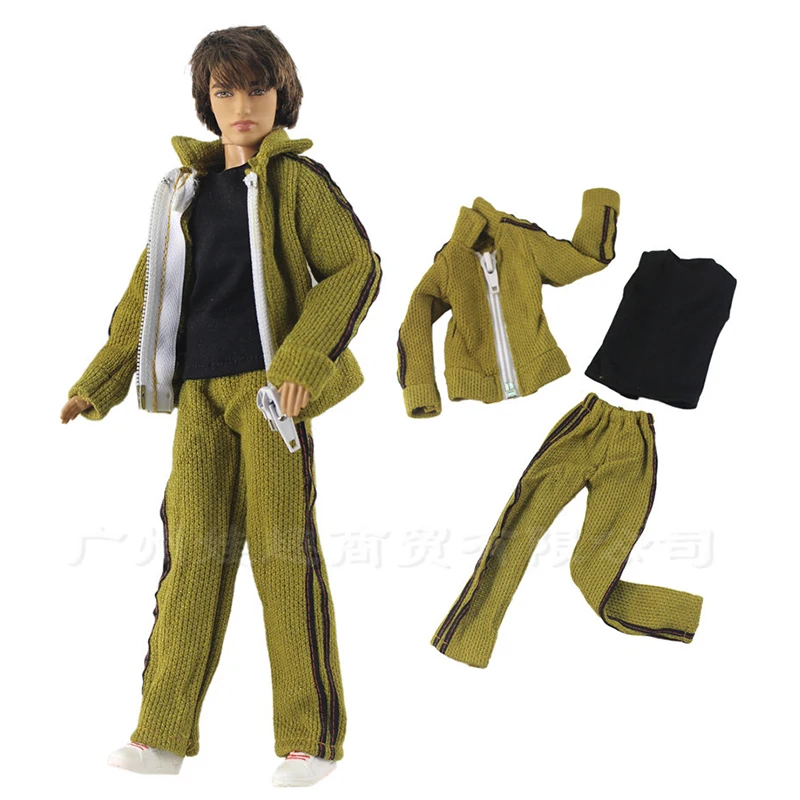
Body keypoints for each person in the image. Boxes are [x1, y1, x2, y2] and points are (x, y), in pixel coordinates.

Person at [60, 24, 381, 787]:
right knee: (191, 561)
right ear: (207, 101)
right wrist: (98, 383)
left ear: (282, 95)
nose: (242, 105)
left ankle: (309, 739)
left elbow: (355, 269)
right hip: (200, 398)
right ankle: (161, 734)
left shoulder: (297, 182)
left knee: (282, 557)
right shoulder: (183, 193)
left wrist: (302, 364)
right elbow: (143, 301)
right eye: (225, 90)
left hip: (270, 397)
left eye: (257, 89)